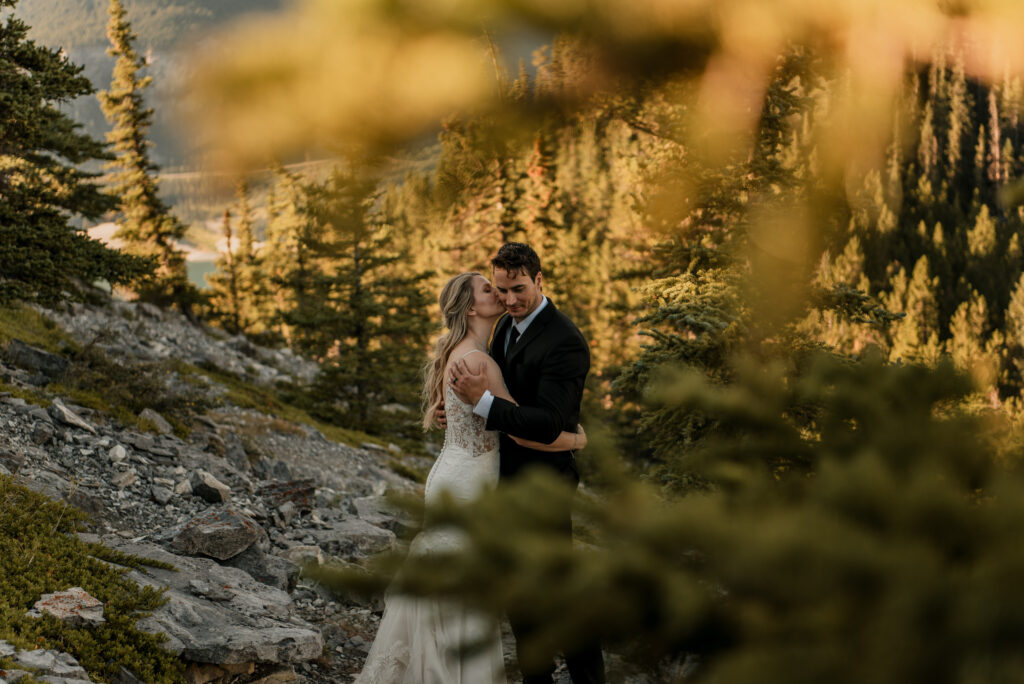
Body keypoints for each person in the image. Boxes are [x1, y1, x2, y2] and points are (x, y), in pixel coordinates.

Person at [355, 271, 586, 684]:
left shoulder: (460, 352)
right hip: (472, 480)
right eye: (487, 289)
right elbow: (521, 429)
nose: (498, 294)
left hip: (451, 471)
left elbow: (456, 413)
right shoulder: (480, 360)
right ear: (470, 307)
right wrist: (575, 440)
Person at [449, 243, 606, 684]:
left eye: (519, 289)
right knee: (521, 606)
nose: (510, 300)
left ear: (539, 280)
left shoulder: (565, 341)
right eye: (502, 290)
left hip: (544, 486)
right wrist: (459, 408)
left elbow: (547, 423)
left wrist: (480, 403)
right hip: (505, 482)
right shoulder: (505, 327)